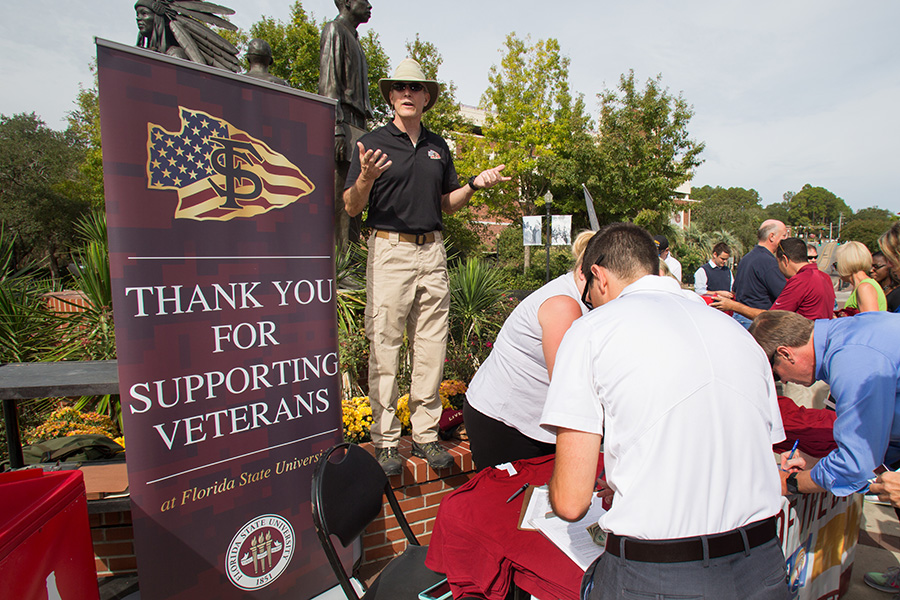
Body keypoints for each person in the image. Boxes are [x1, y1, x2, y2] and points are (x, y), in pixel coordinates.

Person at [541, 223, 788, 600]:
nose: (589, 304)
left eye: (588, 297)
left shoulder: (592, 331)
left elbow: (572, 502)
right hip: (764, 564)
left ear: (599, 277)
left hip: (658, 574)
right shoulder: (738, 333)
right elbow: (769, 470)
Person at [344, 59, 509, 475]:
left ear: (426, 97)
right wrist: (364, 178)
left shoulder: (438, 147)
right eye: (399, 87)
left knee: (431, 350)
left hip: (432, 254)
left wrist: (473, 185)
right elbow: (350, 205)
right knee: (385, 347)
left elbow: (445, 204)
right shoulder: (372, 143)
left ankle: (426, 436)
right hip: (389, 252)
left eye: (414, 88)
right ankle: (383, 442)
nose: (406, 93)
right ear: (390, 95)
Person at [751, 309, 900, 594]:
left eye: (775, 372)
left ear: (785, 353)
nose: (782, 381)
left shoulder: (852, 360)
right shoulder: (844, 334)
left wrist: (791, 482)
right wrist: (815, 462)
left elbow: (856, 465)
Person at [464, 231, 593, 470]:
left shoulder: (586, 295)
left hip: (537, 422)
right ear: (591, 273)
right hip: (505, 423)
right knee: (512, 503)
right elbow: (568, 388)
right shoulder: (562, 305)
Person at [319, 0, 375, 250]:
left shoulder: (355, 39)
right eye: (364, 0)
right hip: (344, 120)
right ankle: (340, 265)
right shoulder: (335, 30)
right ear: (348, 2)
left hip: (358, 124)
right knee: (341, 196)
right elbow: (329, 83)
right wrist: (336, 125)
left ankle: (350, 259)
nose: (370, 5)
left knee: (357, 193)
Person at [712, 238, 834, 320]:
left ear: (785, 260)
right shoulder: (825, 277)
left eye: (778, 263)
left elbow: (772, 317)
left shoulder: (800, 281)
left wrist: (733, 306)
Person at [731, 219, 788, 328]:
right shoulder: (768, 262)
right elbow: (784, 294)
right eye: (784, 236)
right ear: (772, 236)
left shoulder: (747, 258)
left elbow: (735, 289)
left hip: (740, 318)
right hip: (756, 321)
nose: (785, 240)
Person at [836, 241, 886, 313]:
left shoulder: (865, 288)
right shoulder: (861, 286)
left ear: (844, 264)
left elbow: (870, 321)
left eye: (836, 264)